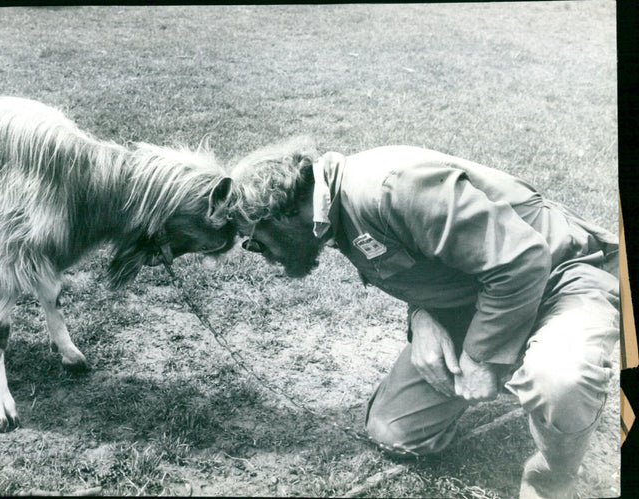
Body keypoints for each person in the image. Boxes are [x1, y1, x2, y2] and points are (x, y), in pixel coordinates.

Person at [229, 136, 620, 498]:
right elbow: (425, 263)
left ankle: (551, 477)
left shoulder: (385, 189)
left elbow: (523, 260)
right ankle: (531, 376)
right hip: (484, 294)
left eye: (253, 242)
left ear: (275, 215)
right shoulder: (332, 210)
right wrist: (421, 316)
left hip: (560, 274)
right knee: (394, 432)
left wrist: (480, 358)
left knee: (560, 378)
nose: (262, 254)